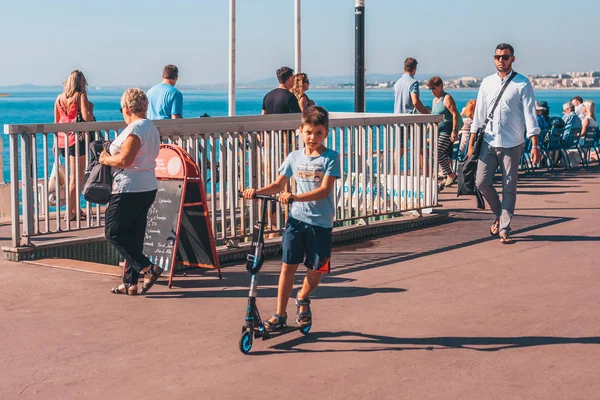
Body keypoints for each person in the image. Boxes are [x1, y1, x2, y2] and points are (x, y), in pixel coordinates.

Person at [242, 106, 340, 331]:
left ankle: (303, 296)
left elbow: (324, 190)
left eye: (318, 132)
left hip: (321, 223)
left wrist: (295, 196)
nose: (312, 137)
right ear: (300, 131)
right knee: (288, 267)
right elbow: (278, 185)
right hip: (296, 221)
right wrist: (256, 192)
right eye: (308, 132)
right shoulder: (293, 157)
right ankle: (280, 314)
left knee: (316, 272)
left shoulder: (331, 158)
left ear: (326, 133)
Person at [472, 43, 541, 244]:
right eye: (498, 57)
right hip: (489, 140)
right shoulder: (487, 83)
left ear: (512, 59)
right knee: (481, 182)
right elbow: (479, 114)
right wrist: (472, 140)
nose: (501, 60)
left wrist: (535, 144)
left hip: (513, 143)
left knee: (509, 186)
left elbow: (530, 115)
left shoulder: (522, 83)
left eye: (505, 57)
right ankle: (500, 214)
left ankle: (504, 229)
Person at [100, 88, 161, 295]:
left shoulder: (136, 129)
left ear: (126, 108)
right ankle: (130, 282)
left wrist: (105, 159)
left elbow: (126, 159)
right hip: (147, 186)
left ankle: (148, 268)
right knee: (133, 236)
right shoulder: (150, 127)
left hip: (129, 187)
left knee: (113, 232)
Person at [54, 70, 95, 221]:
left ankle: (74, 208)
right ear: (81, 82)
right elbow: (87, 117)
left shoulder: (59, 98)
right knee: (76, 178)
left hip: (62, 140)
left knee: (73, 177)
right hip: (77, 141)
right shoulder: (80, 96)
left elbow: (56, 122)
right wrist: (90, 107)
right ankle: (69, 213)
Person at [427, 76, 462, 188]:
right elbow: (435, 117)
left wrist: (454, 131)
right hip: (438, 130)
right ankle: (448, 175)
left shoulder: (446, 98)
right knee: (442, 154)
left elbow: (455, 114)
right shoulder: (434, 101)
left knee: (437, 152)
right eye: (430, 89)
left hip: (447, 129)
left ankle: (450, 175)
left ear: (441, 86)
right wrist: (428, 129)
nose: (432, 91)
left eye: (433, 88)